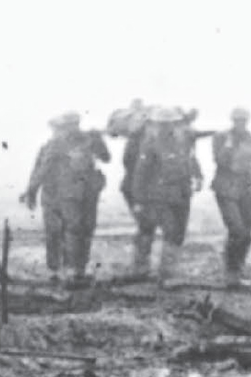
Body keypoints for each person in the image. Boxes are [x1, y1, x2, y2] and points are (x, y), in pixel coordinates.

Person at [20, 112, 109, 288]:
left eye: (73, 125)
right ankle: (63, 271)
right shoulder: (54, 145)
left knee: (84, 230)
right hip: (62, 196)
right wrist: (31, 191)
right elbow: (41, 170)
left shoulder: (88, 141)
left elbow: (106, 158)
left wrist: (98, 140)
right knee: (67, 231)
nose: (69, 129)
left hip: (87, 194)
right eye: (65, 127)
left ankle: (76, 270)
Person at [126, 105, 202, 281]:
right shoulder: (150, 143)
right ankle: (151, 271)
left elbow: (190, 159)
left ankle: (168, 271)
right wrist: (138, 200)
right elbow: (140, 173)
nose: (166, 127)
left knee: (178, 233)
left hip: (182, 193)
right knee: (168, 229)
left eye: (170, 124)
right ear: (155, 124)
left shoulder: (182, 140)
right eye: (162, 124)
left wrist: (198, 176)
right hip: (159, 196)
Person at [210, 106, 251, 288]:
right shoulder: (221, 138)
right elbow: (220, 161)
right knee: (237, 230)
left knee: (247, 231)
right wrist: (228, 145)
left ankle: (238, 268)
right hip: (226, 188)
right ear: (232, 121)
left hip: (246, 189)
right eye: (237, 120)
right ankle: (230, 272)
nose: (240, 124)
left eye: (243, 120)